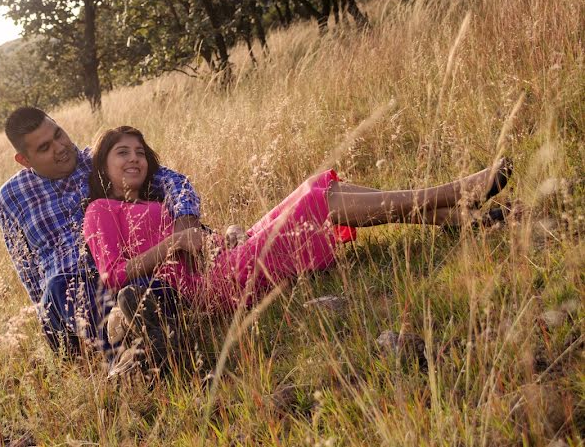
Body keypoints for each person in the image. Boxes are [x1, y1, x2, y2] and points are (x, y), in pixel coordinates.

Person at [83, 126, 512, 310]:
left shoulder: (157, 200)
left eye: (140, 152)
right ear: (103, 166)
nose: (135, 158)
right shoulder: (100, 211)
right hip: (213, 287)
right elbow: (112, 276)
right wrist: (172, 245)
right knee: (316, 203)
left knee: (312, 188)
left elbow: (198, 242)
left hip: (226, 256)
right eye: (123, 153)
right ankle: (458, 191)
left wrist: (225, 235)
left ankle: (459, 219)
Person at [0, 108, 200, 360]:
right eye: (45, 147)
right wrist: (52, 329)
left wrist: (185, 220)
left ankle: (147, 346)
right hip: (68, 290)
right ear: (24, 160)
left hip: (122, 270)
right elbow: (28, 270)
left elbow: (173, 182)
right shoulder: (9, 198)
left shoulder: (100, 160)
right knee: (59, 287)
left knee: (144, 289)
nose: (60, 147)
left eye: (59, 134)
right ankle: (130, 352)